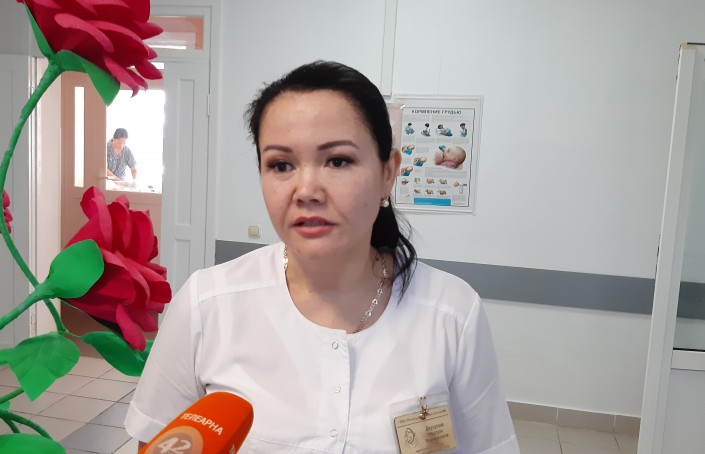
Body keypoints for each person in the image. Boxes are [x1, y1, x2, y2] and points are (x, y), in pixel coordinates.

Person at [125, 61, 518, 453]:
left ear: (388, 172)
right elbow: (156, 440)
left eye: (338, 161)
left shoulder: (452, 312)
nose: (306, 190)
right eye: (281, 165)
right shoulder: (208, 304)